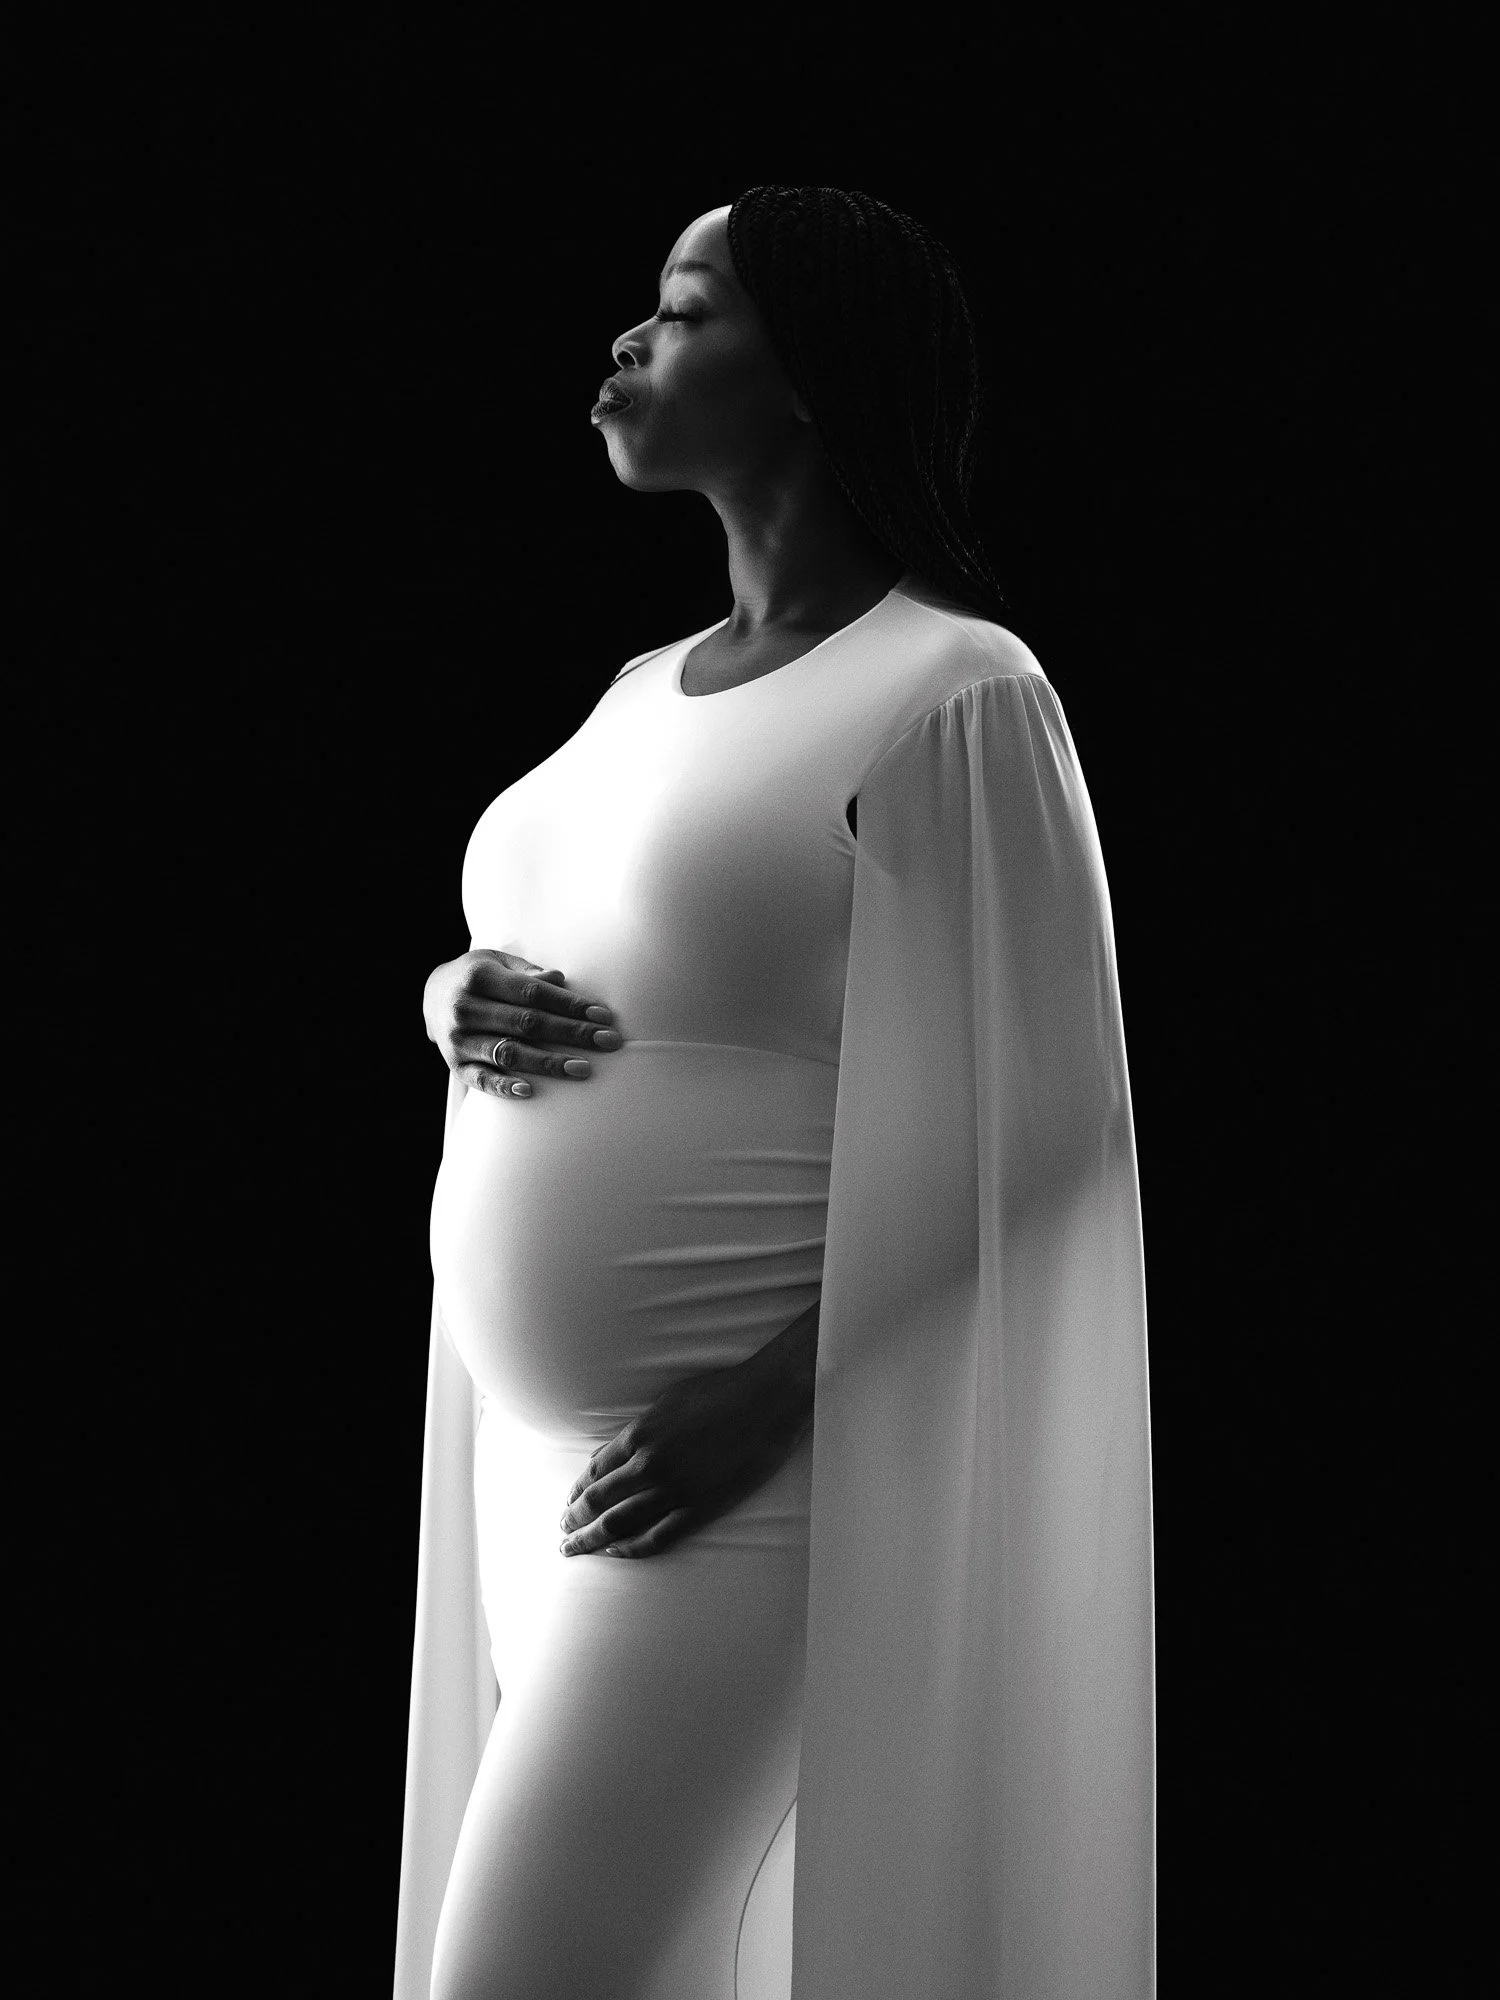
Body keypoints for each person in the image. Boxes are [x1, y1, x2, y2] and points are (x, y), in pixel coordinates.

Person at [394, 185, 1155, 1999]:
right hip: (538, 1462)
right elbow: (602, 949)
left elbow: (1055, 1130)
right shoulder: (634, 693)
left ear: (812, 368)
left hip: (748, 1473)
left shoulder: (956, 690)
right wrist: (450, 997)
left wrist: (768, 1397)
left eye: (683, 306)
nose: (627, 344)